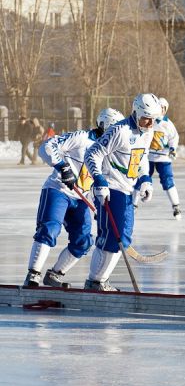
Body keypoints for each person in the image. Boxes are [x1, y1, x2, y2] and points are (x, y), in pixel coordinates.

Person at [23, 108, 125, 287]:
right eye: (114, 129)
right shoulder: (81, 137)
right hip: (59, 190)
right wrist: (63, 167)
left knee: (83, 241)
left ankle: (55, 274)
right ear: (104, 125)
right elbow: (46, 146)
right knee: (50, 229)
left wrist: (101, 204)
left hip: (82, 198)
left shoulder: (111, 152)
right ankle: (33, 274)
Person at [84, 93, 162, 291]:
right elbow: (92, 154)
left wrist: (145, 180)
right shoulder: (120, 130)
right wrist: (99, 181)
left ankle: (101, 280)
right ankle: (95, 281)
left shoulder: (148, 131)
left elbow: (142, 157)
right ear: (135, 113)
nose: (149, 123)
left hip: (127, 190)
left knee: (124, 237)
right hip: (110, 188)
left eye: (153, 119)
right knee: (111, 236)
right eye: (146, 118)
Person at [133, 97, 181, 219]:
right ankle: (133, 204)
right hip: (147, 157)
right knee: (140, 178)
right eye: (159, 107)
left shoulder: (168, 124)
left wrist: (172, 149)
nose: (161, 110)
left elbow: (174, 138)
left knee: (168, 180)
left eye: (163, 108)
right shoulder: (148, 121)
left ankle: (176, 206)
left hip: (163, 159)